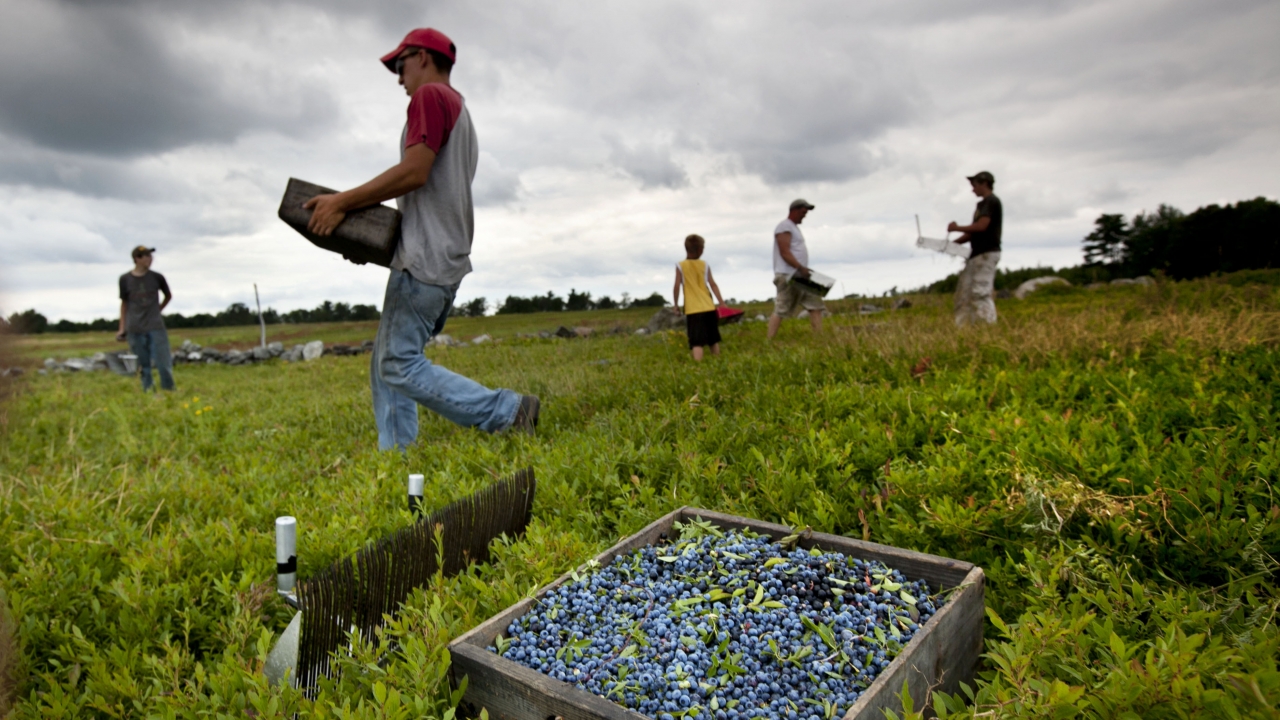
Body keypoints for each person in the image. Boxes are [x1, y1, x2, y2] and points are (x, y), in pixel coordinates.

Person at [302, 28, 538, 450]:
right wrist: (366, 238)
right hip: (438, 254)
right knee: (387, 362)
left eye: (400, 63)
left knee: (397, 363)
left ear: (424, 57)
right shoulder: (459, 110)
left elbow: (415, 172)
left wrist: (342, 202)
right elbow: (428, 195)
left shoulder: (429, 98)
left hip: (426, 260)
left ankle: (506, 412)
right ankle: (396, 450)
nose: (398, 76)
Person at [947, 171, 1003, 326]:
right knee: (966, 293)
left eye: (975, 185)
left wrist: (957, 228)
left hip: (987, 252)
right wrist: (951, 245)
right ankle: (967, 326)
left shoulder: (991, 202)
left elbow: (981, 227)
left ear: (985, 183)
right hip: (977, 254)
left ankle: (988, 325)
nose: (973, 189)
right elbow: (973, 233)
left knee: (980, 292)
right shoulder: (982, 205)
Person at [116, 245, 175, 391]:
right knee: (142, 364)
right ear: (137, 259)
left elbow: (168, 296)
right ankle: (148, 390)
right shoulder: (125, 279)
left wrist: (158, 309)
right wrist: (122, 328)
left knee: (163, 362)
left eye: (150, 256)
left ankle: (168, 390)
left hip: (155, 326)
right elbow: (124, 304)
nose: (150, 259)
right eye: (147, 256)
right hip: (134, 327)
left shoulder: (157, 277)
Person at [767, 199, 824, 339]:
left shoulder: (793, 227)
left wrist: (803, 270)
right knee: (781, 308)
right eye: (803, 212)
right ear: (794, 210)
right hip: (789, 274)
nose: (805, 215)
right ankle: (769, 340)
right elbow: (784, 251)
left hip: (801, 274)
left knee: (815, 304)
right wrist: (799, 267)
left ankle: (819, 337)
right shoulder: (784, 226)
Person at [672, 234, 726, 361]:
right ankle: (717, 361)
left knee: (697, 341)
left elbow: (676, 286)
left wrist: (676, 305)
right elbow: (713, 284)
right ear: (700, 249)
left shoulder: (680, 266)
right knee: (713, 339)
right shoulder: (705, 264)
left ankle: (698, 366)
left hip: (693, 309)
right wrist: (721, 302)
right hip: (708, 306)